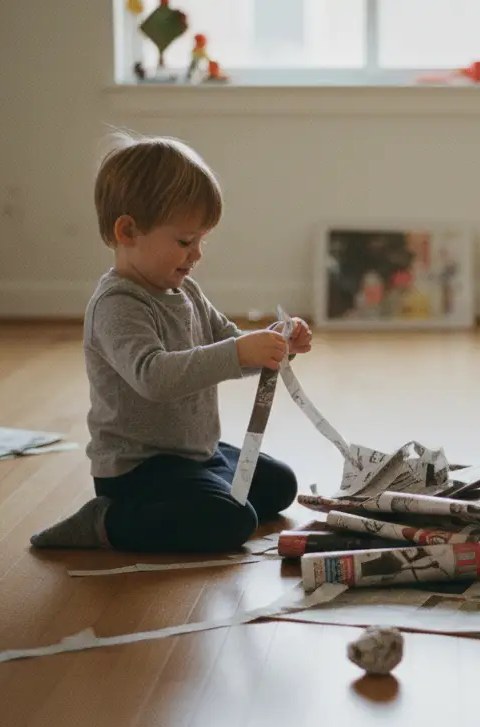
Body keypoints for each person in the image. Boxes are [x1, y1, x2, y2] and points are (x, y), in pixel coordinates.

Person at [30, 134, 311, 553]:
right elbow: (154, 376)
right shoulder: (117, 304)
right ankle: (107, 521)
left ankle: (204, 486)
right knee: (232, 520)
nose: (196, 254)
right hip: (140, 471)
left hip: (195, 454)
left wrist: (272, 343)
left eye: (201, 241)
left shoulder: (185, 289)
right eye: (184, 241)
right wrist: (240, 352)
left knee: (280, 485)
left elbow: (227, 342)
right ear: (128, 231)